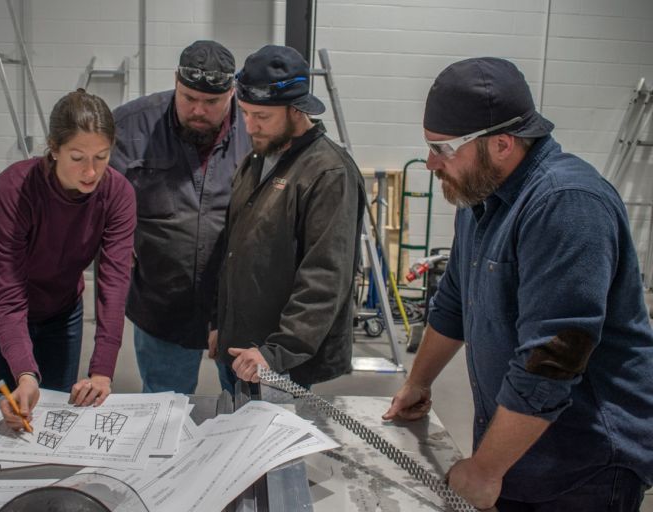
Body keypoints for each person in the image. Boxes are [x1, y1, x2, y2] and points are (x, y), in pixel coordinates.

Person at [382, 57, 653, 511]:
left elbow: (552, 359)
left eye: (443, 149)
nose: (430, 163)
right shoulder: (480, 195)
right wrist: (418, 382)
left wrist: (485, 470)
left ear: (503, 144)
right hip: (521, 445)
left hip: (582, 464)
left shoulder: (566, 205)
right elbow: (453, 302)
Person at [0, 89, 136, 430]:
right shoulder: (15, 188)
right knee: (4, 417)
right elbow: (9, 291)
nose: (90, 171)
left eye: (101, 157)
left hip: (60, 310)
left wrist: (102, 371)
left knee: (56, 418)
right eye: (77, 157)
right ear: (54, 149)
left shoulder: (118, 194)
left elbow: (113, 285)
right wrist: (25, 375)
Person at [216, 45, 366, 392]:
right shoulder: (258, 158)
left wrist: (278, 352)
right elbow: (233, 250)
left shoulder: (329, 173)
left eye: (262, 117)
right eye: (245, 113)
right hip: (240, 351)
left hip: (279, 362)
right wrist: (219, 325)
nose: (250, 126)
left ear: (297, 110)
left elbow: (326, 276)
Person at [109, 40, 250, 394]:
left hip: (239, 308)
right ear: (175, 81)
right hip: (162, 302)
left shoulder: (256, 132)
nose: (198, 110)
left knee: (249, 410)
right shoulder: (129, 127)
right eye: (189, 98)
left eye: (211, 102)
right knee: (163, 411)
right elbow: (97, 196)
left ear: (232, 93)